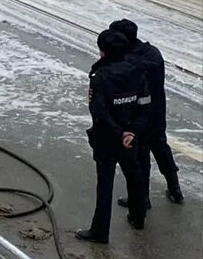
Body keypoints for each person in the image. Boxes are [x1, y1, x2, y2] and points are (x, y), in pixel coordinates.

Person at [76, 29, 150, 244]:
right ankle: (138, 217)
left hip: (108, 138)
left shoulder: (100, 77)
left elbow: (99, 113)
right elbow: (144, 105)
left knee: (105, 185)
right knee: (134, 176)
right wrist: (132, 131)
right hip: (130, 135)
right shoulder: (137, 71)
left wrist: (119, 133)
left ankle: (100, 231)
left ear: (102, 52)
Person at [110, 18, 183, 206]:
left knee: (141, 154)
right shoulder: (153, 53)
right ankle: (175, 189)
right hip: (158, 109)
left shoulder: (128, 60)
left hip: (139, 112)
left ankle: (142, 198)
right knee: (161, 148)